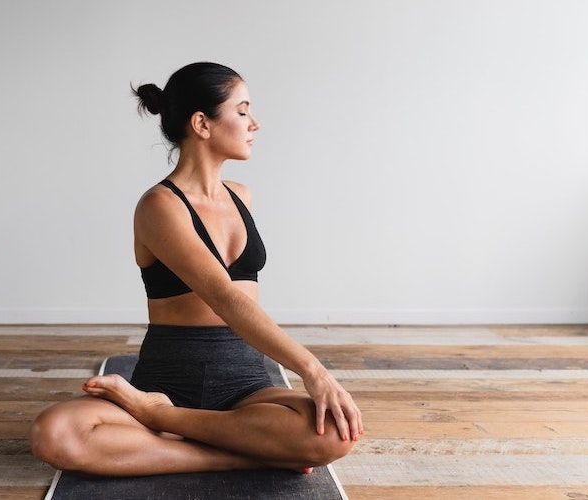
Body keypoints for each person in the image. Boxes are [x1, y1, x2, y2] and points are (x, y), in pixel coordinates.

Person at [30, 62, 363, 476]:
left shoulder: (242, 196)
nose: (254, 123)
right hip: (165, 381)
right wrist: (313, 370)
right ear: (202, 123)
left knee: (336, 432)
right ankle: (237, 450)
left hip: (244, 384)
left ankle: (165, 422)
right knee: (55, 434)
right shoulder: (159, 206)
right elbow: (224, 297)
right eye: (242, 111)